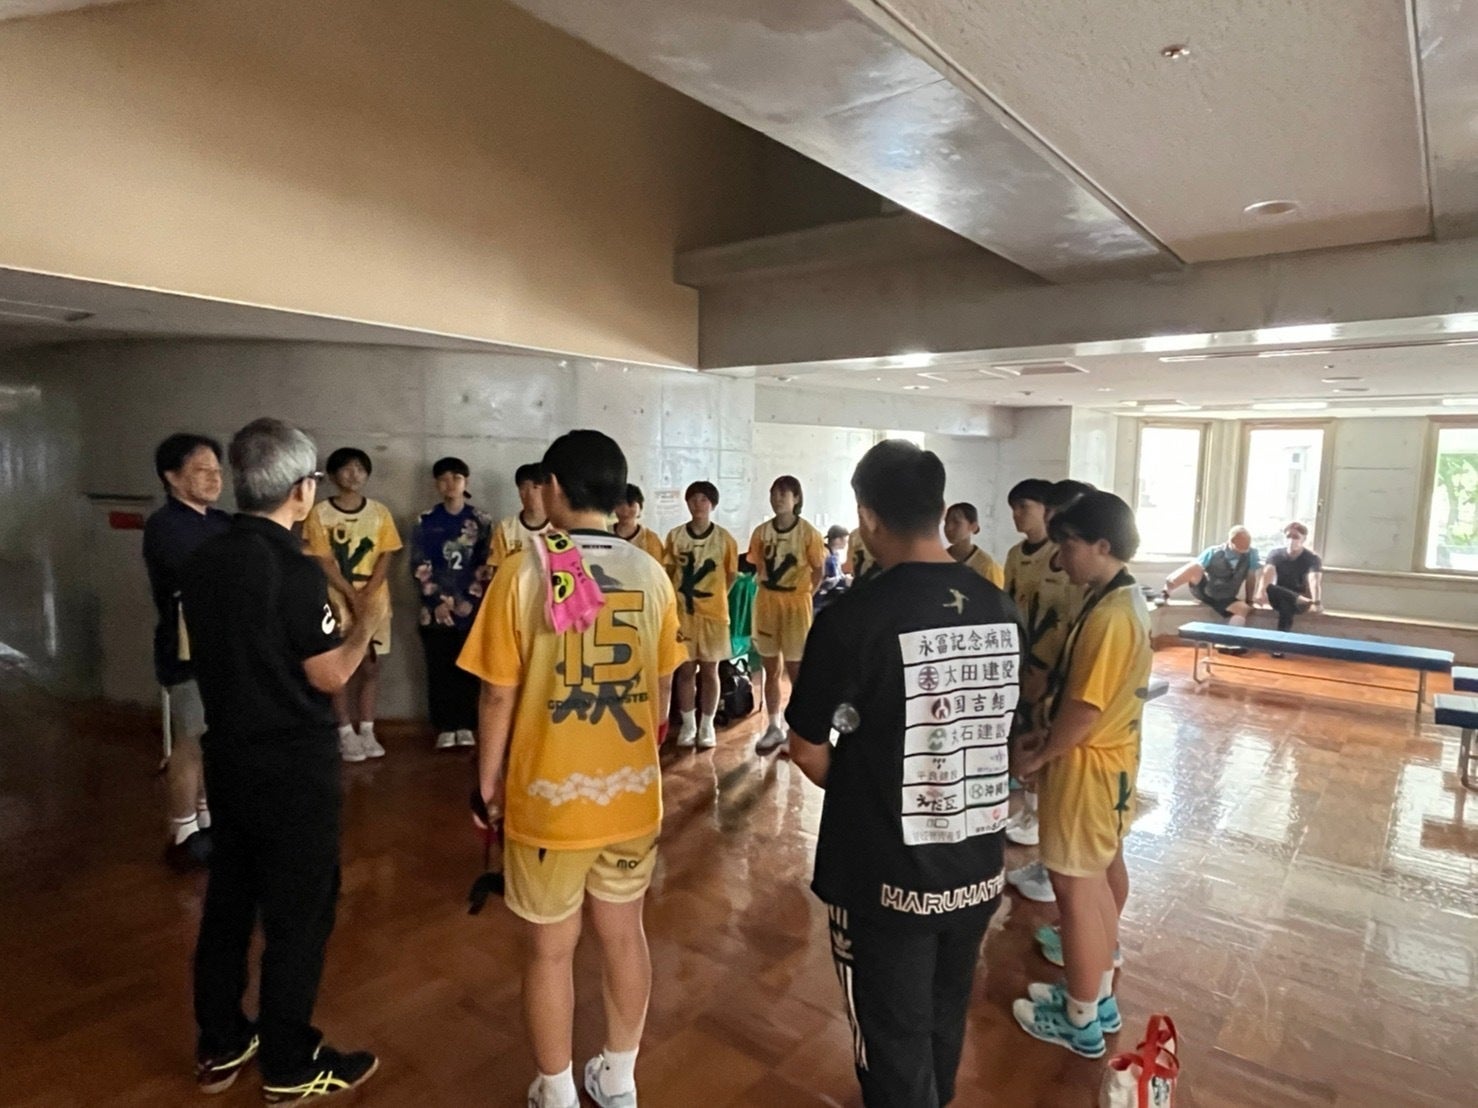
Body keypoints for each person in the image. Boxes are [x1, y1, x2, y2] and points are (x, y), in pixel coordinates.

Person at [786, 440, 1023, 1107]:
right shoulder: (1000, 606)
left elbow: (806, 747)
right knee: (946, 1010)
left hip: (883, 870)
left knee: (890, 1032)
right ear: (941, 510)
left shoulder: (854, 618)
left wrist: (867, 790)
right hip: (977, 860)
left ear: (867, 516)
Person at [458, 430, 683, 1108]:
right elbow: (664, 688)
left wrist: (487, 784)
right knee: (625, 936)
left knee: (550, 951)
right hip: (633, 796)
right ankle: (619, 1080)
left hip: (548, 800)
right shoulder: (650, 572)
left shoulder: (522, 570)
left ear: (552, 488)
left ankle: (554, 1090)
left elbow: (497, 694)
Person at [182, 417, 383, 1101]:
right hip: (293, 767)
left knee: (230, 901)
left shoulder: (204, 559)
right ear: (303, 489)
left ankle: (220, 1042)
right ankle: (290, 1063)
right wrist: (365, 624)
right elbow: (330, 675)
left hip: (228, 755)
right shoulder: (293, 571)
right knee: (299, 914)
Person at [1010, 491, 1152, 1060]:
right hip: (1103, 762)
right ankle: (1096, 997)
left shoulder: (1112, 616)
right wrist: (1046, 735)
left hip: (1088, 768)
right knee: (1090, 885)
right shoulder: (1113, 599)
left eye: (1069, 544)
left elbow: (1086, 709)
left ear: (1102, 545)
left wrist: (1041, 756)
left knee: (1074, 891)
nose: (1060, 555)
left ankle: (1080, 1019)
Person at [142, 433, 231, 871]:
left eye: (217, 470)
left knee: (215, 738)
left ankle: (206, 819)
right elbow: (199, 573)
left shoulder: (222, 521)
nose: (214, 478)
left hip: (223, 645)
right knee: (192, 739)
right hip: (186, 649)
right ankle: (182, 829)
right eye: (201, 470)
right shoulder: (165, 525)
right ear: (172, 477)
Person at [999, 478, 1085, 901]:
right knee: (1032, 746)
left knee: (1054, 762)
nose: (1023, 516)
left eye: (1029, 508)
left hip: (1053, 676)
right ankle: (1043, 843)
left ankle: (1058, 868)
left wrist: (1047, 674)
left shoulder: (1075, 569)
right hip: (1027, 665)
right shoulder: (1020, 557)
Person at [302, 447, 402, 762]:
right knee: (338, 665)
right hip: (335, 599)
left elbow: (386, 555)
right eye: (346, 468)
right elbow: (322, 559)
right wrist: (350, 594)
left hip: (375, 599)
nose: (353, 474)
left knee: (371, 665)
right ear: (332, 476)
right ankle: (344, 731)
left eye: (359, 468)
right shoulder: (320, 513)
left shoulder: (380, 512)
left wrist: (368, 593)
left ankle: (367, 729)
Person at [411, 457, 492, 750]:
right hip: (434, 610)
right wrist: (436, 600)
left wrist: (469, 598)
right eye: (444, 479)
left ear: (466, 482)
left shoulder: (482, 520)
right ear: (436, 484)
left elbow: (486, 563)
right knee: (438, 667)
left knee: (469, 667)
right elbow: (419, 564)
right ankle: (444, 726)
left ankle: (467, 724)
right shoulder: (425, 520)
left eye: (456, 478)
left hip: (470, 608)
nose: (450, 484)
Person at [748, 475, 827, 755]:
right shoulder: (761, 533)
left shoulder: (808, 533)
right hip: (768, 603)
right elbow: (758, 566)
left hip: (796, 605)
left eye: (784, 493)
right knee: (770, 668)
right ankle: (773, 726)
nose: (778, 498)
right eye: (774, 493)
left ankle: (798, 730)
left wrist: (804, 594)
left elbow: (818, 571)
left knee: (796, 670)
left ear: (796, 498)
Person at [663, 480, 739, 749]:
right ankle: (688, 724)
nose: (698, 504)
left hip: (714, 615)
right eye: (693, 499)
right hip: (683, 614)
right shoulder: (675, 536)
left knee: (710, 670)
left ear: (713, 504)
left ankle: (707, 725)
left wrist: (715, 598)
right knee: (685, 670)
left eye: (704, 499)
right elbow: (668, 572)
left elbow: (730, 576)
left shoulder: (724, 539)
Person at [1161, 525, 1261, 629]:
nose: (1243, 550)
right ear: (1231, 542)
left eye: (1246, 547)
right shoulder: (1213, 551)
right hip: (1206, 590)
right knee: (1195, 566)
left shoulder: (1251, 554)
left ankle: (1230, 636)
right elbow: (1194, 570)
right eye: (1240, 547)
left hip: (1226, 596)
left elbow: (1251, 578)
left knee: (1243, 609)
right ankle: (1166, 592)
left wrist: (1249, 600)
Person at [1255, 521, 1323, 640]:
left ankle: (1280, 641)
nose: (1291, 540)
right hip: (1280, 595)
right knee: (1271, 588)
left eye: (1296, 537)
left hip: (1301, 601)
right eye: (1288, 536)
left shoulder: (1312, 558)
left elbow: (1314, 581)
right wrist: (1260, 593)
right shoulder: (1275, 554)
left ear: (1304, 539)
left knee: (1286, 606)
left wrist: (1316, 602)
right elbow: (1267, 574)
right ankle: (1282, 642)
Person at [488, 462, 549, 576]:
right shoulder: (506, 527)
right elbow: (497, 570)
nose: (529, 494)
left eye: (535, 487)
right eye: (523, 488)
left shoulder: (559, 526)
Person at [943, 502, 1005, 588]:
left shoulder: (986, 566)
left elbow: (996, 595)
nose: (948, 527)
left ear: (973, 527)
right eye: (946, 522)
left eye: (956, 522)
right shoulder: (940, 559)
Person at [612, 483, 665, 562]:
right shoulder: (604, 533)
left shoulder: (651, 539)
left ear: (640, 508)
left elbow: (657, 567)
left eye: (631, 505)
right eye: (620, 504)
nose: (625, 510)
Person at [816, 524, 852, 603]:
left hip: (832, 589)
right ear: (837, 539)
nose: (846, 543)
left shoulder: (836, 554)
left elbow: (838, 574)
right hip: (822, 593)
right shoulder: (824, 553)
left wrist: (846, 578)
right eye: (845, 540)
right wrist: (843, 581)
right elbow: (823, 577)